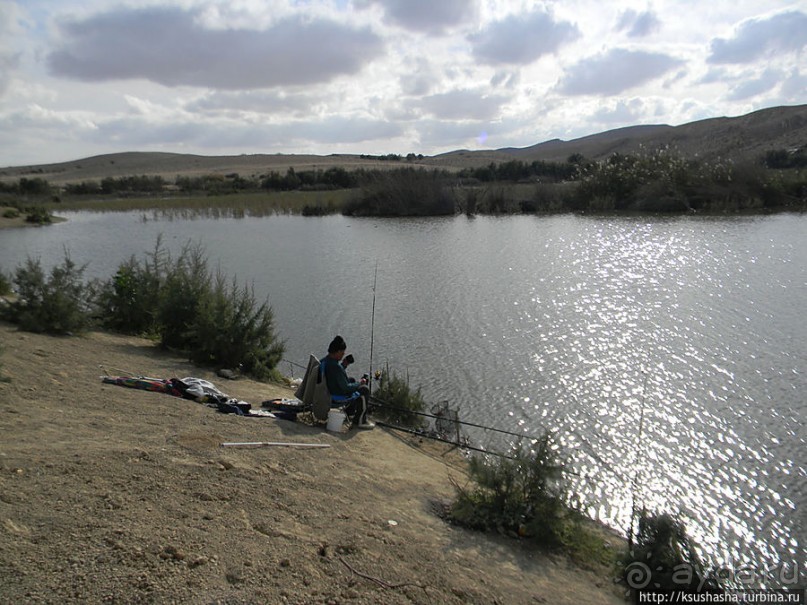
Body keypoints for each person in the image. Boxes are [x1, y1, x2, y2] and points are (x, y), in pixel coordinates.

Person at [320, 336, 374, 429]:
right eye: (342, 352)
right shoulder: (335, 367)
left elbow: (336, 376)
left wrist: (344, 365)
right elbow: (345, 387)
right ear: (337, 352)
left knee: (352, 379)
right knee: (364, 390)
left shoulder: (325, 360)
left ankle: (350, 413)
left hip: (329, 389)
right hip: (336, 395)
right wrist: (360, 383)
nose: (343, 354)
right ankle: (361, 421)